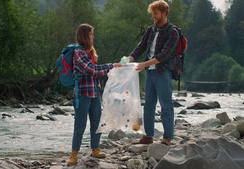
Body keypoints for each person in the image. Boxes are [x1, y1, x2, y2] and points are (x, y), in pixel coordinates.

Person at [68, 23, 122, 165]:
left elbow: (96, 70)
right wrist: (111, 65)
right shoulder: (78, 52)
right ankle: (74, 154)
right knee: (80, 125)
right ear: (85, 35)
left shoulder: (90, 51)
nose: (93, 36)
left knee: (97, 122)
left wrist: (111, 68)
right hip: (82, 93)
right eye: (91, 33)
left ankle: (95, 149)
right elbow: (92, 70)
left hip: (94, 92)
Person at [128, 0, 179, 146]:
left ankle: (168, 137)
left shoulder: (172, 32)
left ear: (164, 13)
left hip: (163, 73)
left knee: (166, 105)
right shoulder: (151, 30)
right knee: (148, 105)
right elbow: (141, 47)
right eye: (153, 14)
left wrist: (144, 64)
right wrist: (128, 59)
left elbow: (165, 55)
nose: (154, 16)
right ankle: (148, 136)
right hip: (150, 73)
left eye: (156, 13)